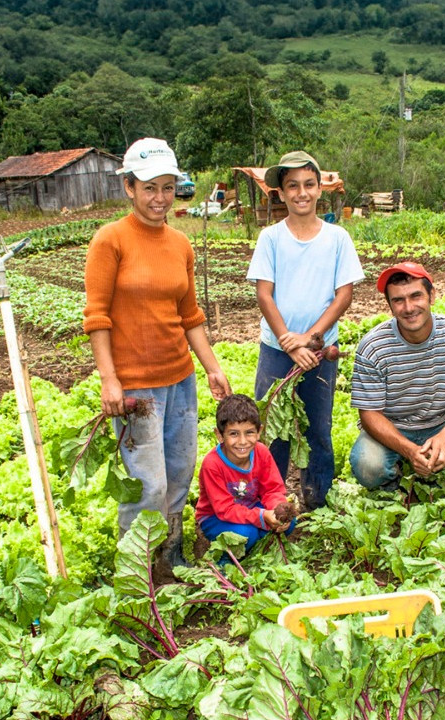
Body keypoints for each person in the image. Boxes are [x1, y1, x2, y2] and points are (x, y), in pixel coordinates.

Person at [84, 137, 232, 569]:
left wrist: (212, 368)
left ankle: (170, 557)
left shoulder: (179, 244)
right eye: (149, 188)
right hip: (137, 388)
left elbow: (189, 315)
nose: (159, 198)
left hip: (180, 381)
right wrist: (110, 379)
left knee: (179, 474)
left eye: (167, 187)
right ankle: (137, 568)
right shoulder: (110, 241)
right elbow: (96, 316)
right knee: (146, 483)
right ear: (128, 187)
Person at [247, 150, 364, 510]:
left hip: (320, 350)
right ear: (280, 193)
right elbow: (264, 293)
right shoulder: (270, 238)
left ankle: (318, 499)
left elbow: (344, 294)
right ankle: (272, 500)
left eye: (308, 185)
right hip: (275, 350)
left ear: (320, 189)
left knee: (317, 428)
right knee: (273, 429)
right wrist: (288, 340)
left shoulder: (337, 238)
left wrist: (310, 338)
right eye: (292, 186)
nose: (301, 192)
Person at [348, 262, 445, 489]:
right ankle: (403, 473)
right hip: (395, 430)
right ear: (390, 306)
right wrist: (408, 449)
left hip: (443, 421)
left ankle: (443, 459)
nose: (409, 307)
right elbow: (370, 415)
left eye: (416, 296)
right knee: (367, 466)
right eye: (398, 300)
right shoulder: (373, 346)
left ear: (432, 295)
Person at [195, 395, 294, 557]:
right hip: (215, 517)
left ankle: (257, 545)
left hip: (250, 508)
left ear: (259, 432)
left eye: (249, 433)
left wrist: (278, 509)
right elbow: (225, 510)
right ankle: (223, 562)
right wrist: (261, 516)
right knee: (245, 534)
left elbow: (273, 489)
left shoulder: (261, 452)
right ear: (219, 435)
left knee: (288, 523)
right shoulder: (212, 464)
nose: (242, 441)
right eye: (233, 434)